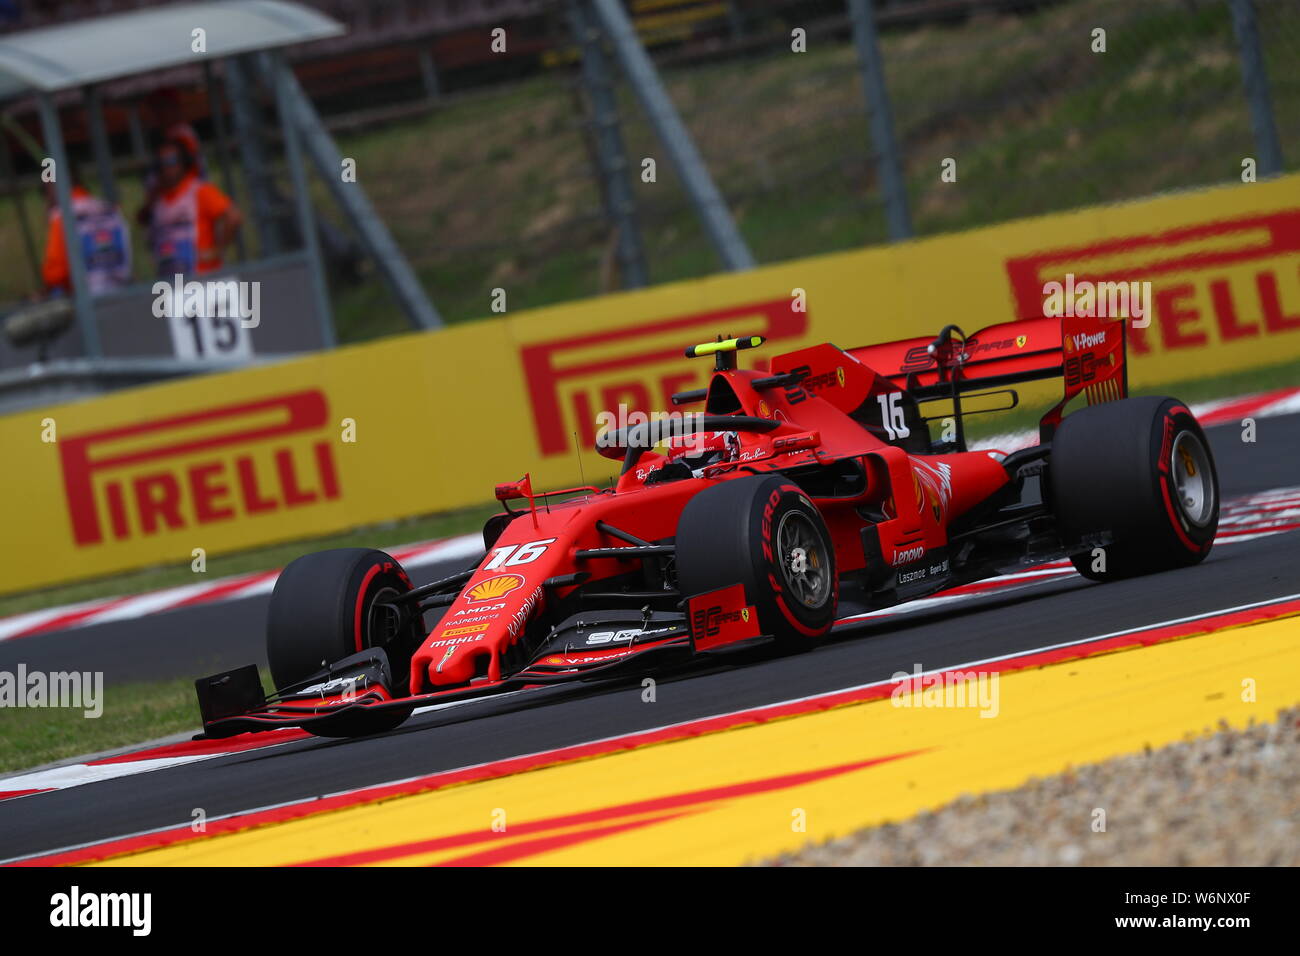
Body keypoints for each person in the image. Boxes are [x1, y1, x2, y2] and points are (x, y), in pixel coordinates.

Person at [144, 137, 241, 277]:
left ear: (183, 162)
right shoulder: (158, 200)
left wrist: (217, 251)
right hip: (172, 281)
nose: (167, 167)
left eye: (172, 161)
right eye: (162, 163)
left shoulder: (199, 191)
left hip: (203, 278)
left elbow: (234, 217)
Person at [41, 175, 131, 296]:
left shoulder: (60, 216)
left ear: (53, 185)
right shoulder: (110, 209)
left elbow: (55, 274)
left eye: (45, 189)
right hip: (123, 295)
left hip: (88, 304)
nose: (46, 198)